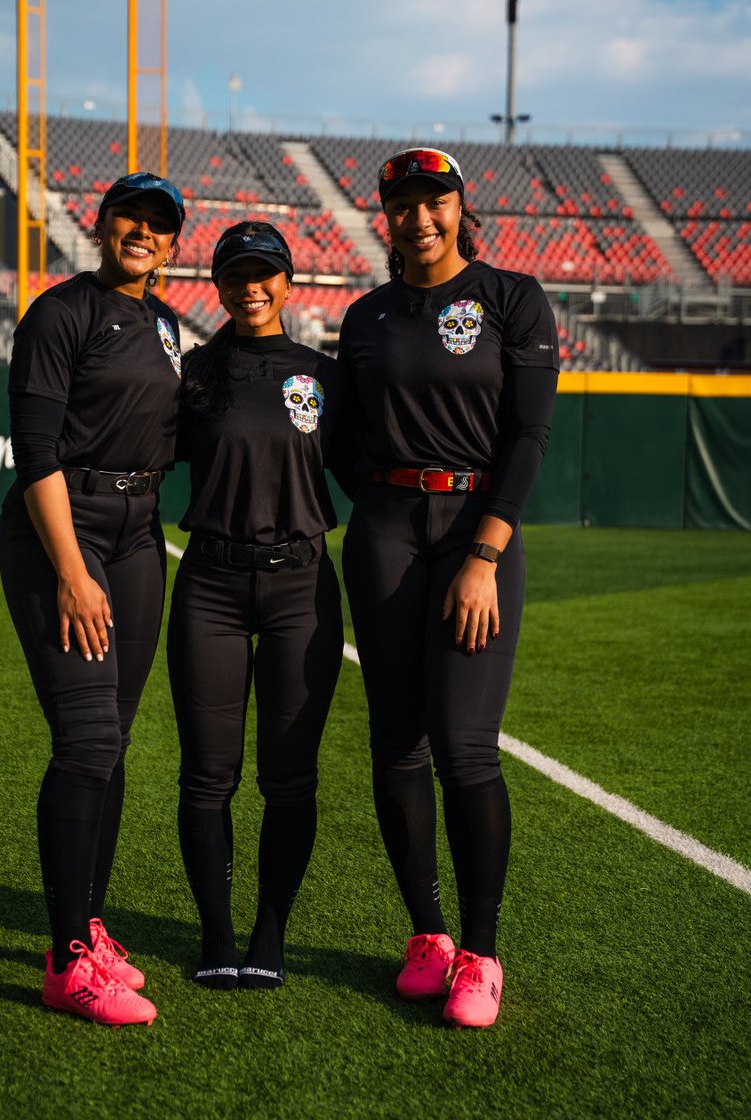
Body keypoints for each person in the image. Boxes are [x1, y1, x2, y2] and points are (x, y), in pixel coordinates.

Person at [338, 148, 559, 1027]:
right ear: (386, 219)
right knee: (397, 744)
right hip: (387, 533)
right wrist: (382, 509)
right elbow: (344, 442)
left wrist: (485, 554)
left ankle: (480, 952)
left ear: (462, 207)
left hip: (477, 531)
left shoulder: (512, 298)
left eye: (435, 201)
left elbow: (528, 437)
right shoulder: (365, 317)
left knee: (465, 747)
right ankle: (427, 936)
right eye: (404, 205)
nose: (420, 217)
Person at [0, 171, 186, 1027]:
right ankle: (67, 960)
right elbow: (35, 452)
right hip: (64, 529)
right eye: (129, 218)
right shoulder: (61, 312)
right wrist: (71, 572)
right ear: (101, 225)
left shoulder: (166, 323)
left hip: (140, 534)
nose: (142, 232)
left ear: (172, 243)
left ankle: (91, 927)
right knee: (87, 739)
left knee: (115, 741)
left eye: (158, 224)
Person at [167, 222, 350, 990]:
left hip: (300, 590)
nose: (251, 287)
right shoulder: (194, 373)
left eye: (264, 273)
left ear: (288, 282)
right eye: (236, 275)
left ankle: (270, 932)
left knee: (290, 778)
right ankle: (216, 933)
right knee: (207, 777)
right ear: (217, 285)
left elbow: (372, 471)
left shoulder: (323, 376)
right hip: (210, 587)